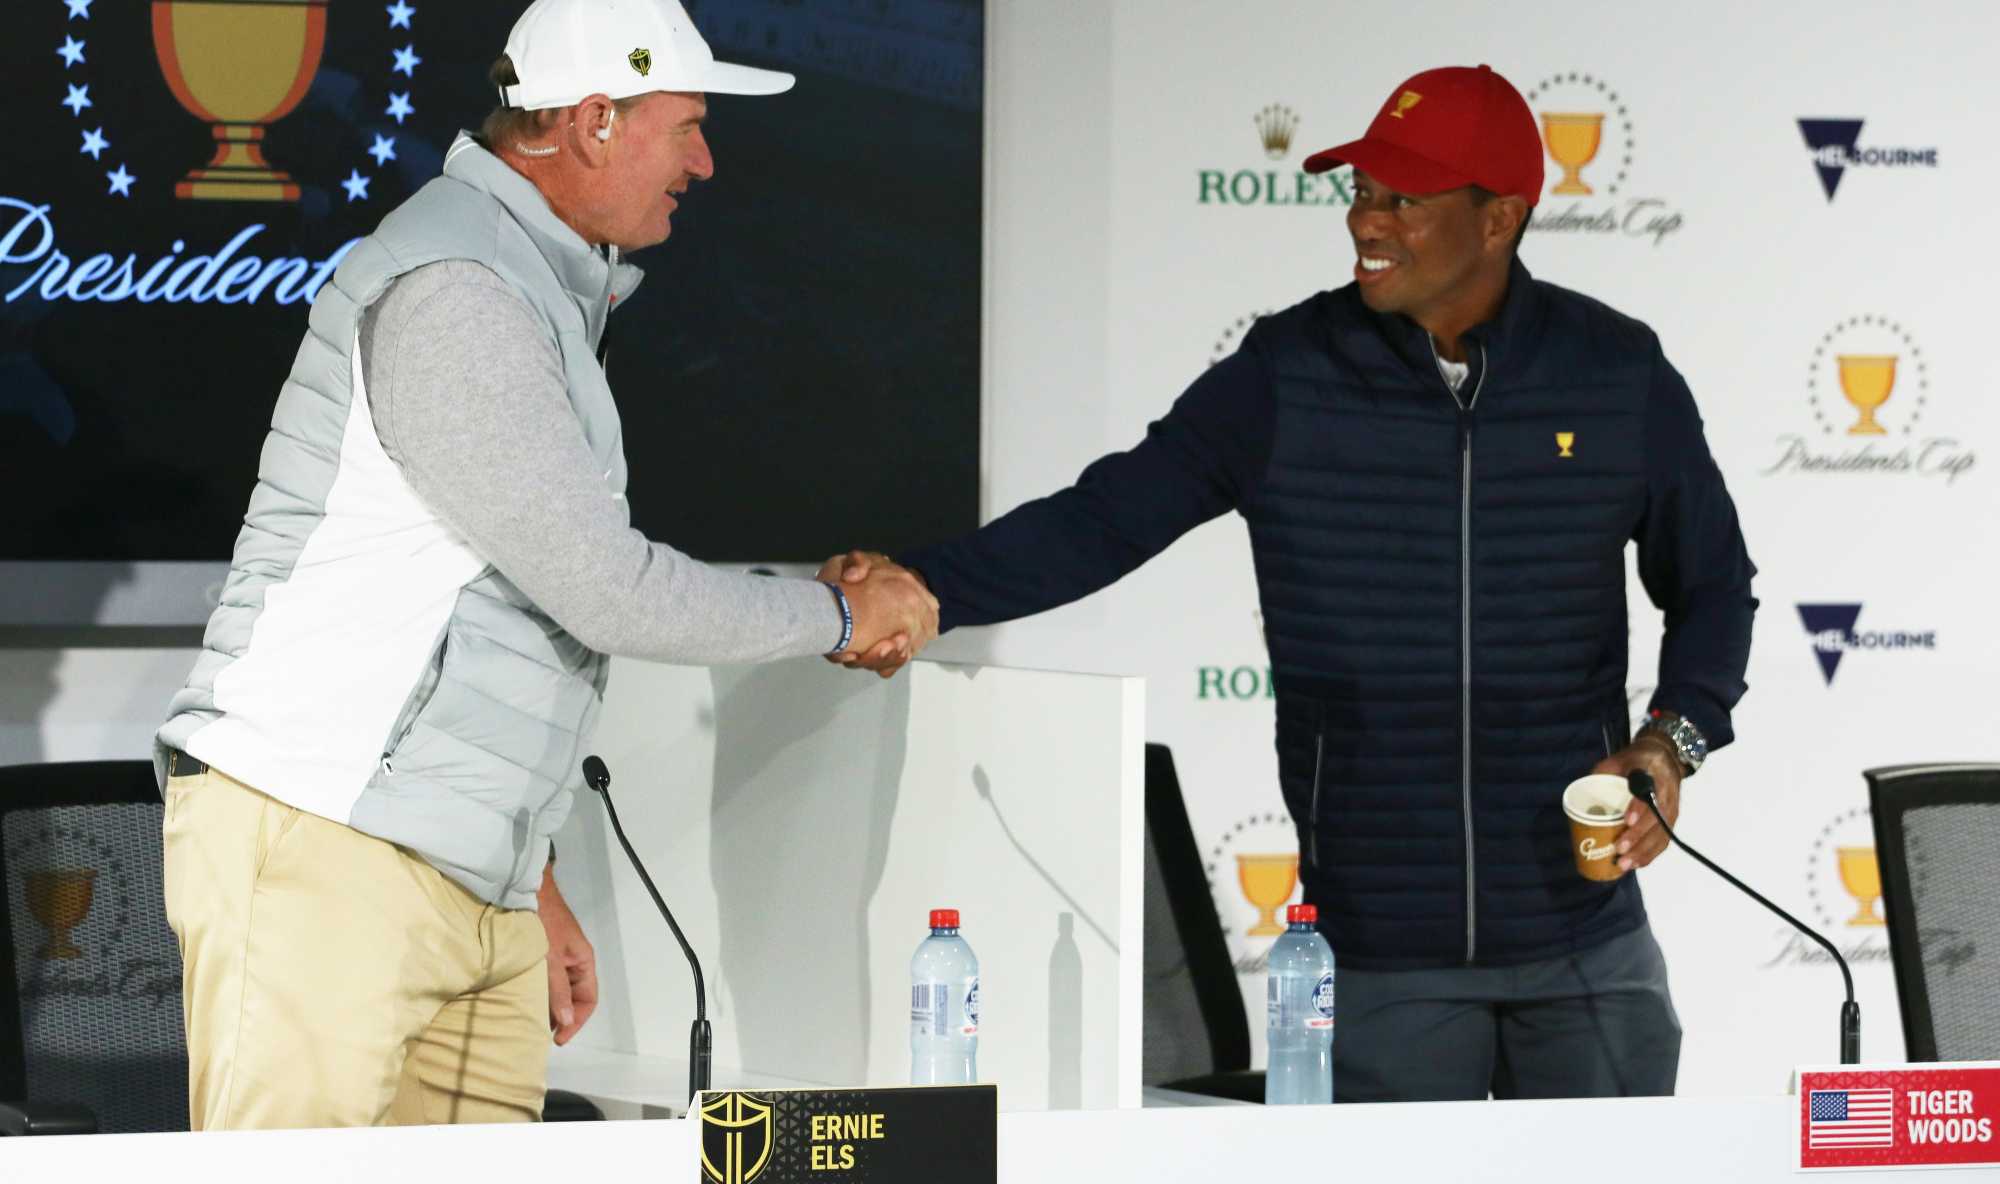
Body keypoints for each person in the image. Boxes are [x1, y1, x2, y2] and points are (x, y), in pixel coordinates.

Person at [828, 64, 1756, 1102]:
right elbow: (1104, 518)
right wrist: (920, 586)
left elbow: (1713, 584)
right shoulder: (1287, 372)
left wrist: (1668, 742)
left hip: (1587, 947)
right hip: (1376, 960)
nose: (1367, 218)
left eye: (1402, 198)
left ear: (1497, 218)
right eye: (1359, 190)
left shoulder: (1616, 372)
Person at [155, 0, 935, 1130]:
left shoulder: (532, 284)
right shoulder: (460, 290)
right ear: (592, 122)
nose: (705, 162)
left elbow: (498, 611)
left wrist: (529, 881)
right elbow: (600, 587)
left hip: (448, 869)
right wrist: (835, 614)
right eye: (688, 128)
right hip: (324, 842)